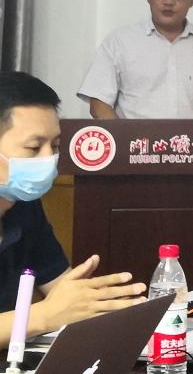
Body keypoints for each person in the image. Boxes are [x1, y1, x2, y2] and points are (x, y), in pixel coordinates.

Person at [0, 71, 147, 346]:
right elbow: (52, 312)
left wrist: (110, 309)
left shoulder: (24, 206)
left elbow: (61, 290)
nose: (49, 159)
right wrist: (43, 316)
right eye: (34, 147)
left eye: (55, 146)